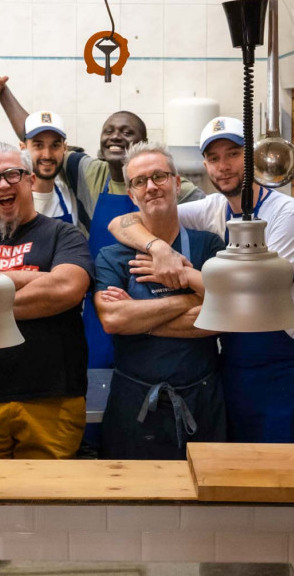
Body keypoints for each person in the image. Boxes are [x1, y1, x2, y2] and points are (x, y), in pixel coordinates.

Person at [107, 116, 294, 443]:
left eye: (233, 154)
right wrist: (158, 248)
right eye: (213, 158)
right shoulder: (213, 209)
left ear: (251, 157)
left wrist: (179, 275)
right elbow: (122, 222)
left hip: (286, 368)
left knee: (286, 473)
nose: (223, 166)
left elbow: (256, 296)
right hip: (234, 364)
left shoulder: (286, 213)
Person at [0, 74, 204, 369]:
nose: (116, 136)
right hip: (104, 295)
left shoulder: (174, 189)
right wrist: (3, 93)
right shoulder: (88, 172)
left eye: (126, 131)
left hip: (156, 287)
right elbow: (41, 146)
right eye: (109, 130)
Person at [0, 142, 94, 459]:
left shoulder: (63, 235)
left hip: (53, 399)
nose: (2, 184)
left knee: (48, 503)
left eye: (12, 174)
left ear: (30, 180)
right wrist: (39, 278)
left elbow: (67, 287)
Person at [93, 141, 227, 459]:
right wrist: (190, 300)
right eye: (140, 181)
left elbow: (221, 316)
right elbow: (114, 320)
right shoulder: (112, 256)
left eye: (159, 176)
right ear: (131, 195)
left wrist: (140, 319)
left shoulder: (209, 245)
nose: (151, 187)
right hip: (133, 403)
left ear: (177, 183)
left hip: (202, 398)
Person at [0, 110, 77, 229]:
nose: (47, 155)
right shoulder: (2, 198)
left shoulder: (69, 196)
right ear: (23, 149)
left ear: (64, 148)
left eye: (55, 145)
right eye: (38, 145)